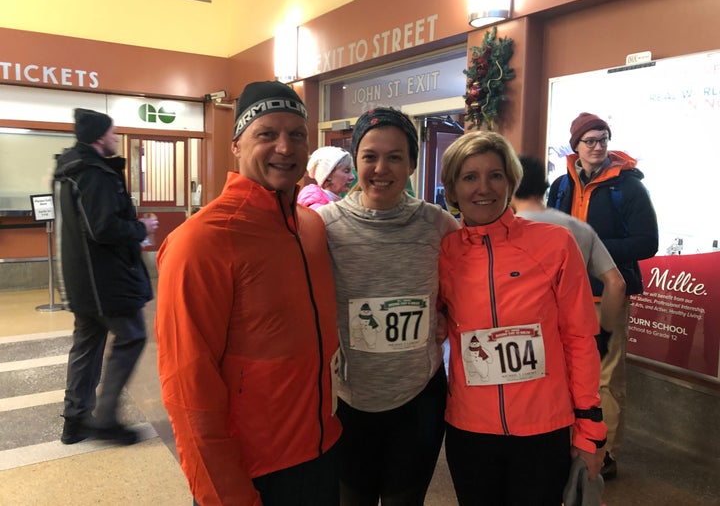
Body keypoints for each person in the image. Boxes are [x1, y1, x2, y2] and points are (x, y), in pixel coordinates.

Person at [154, 81, 342, 506]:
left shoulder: (310, 226)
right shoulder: (201, 241)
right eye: (266, 134)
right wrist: (224, 494)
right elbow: (187, 388)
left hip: (323, 448)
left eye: (296, 135)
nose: (284, 147)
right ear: (237, 145)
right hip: (254, 469)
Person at [438, 131, 606, 505]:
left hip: (543, 429)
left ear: (510, 181)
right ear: (452, 189)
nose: (484, 188)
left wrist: (590, 427)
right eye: (469, 177)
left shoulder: (554, 244)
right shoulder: (444, 251)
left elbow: (580, 339)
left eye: (495, 175)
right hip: (470, 430)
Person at [317, 107, 459, 505]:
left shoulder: (439, 225)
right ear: (355, 160)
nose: (382, 168)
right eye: (370, 156)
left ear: (412, 163)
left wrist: (445, 314)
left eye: (395, 157)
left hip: (419, 399)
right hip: (349, 400)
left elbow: (461, 289)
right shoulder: (323, 226)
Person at [547, 112, 658, 480]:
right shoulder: (561, 185)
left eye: (603, 139)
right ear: (575, 145)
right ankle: (572, 440)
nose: (598, 147)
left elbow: (648, 243)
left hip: (609, 295)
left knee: (606, 378)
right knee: (566, 373)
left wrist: (591, 249)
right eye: (590, 140)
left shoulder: (628, 188)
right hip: (565, 296)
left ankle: (605, 453)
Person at [54, 108, 158, 445]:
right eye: (113, 132)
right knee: (132, 337)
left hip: (85, 280)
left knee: (87, 345)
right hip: (106, 280)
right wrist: (142, 227)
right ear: (100, 136)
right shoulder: (94, 172)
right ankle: (106, 418)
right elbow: (103, 228)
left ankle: (76, 421)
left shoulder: (71, 170)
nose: (116, 137)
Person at [512, 155, 627, 359]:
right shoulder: (580, 228)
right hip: (573, 336)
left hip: (522, 342)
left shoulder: (508, 231)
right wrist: (604, 334)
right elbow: (616, 283)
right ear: (544, 185)